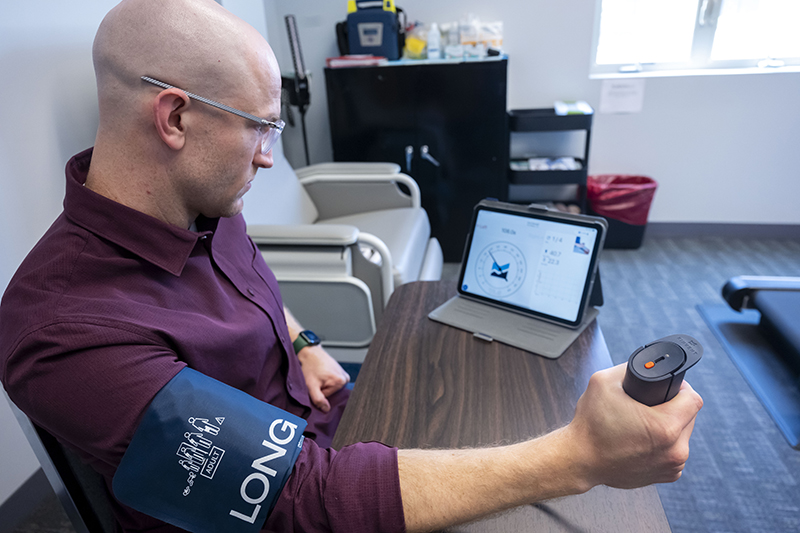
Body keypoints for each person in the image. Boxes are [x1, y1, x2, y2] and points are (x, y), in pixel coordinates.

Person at [0, 0, 703, 532]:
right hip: (295, 499)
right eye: (259, 126)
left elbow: (254, 290)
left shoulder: (198, 201)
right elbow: (298, 499)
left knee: (480, 382)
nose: (270, 155)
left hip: (326, 429)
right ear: (175, 118)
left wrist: (299, 341)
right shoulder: (63, 330)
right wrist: (580, 457)